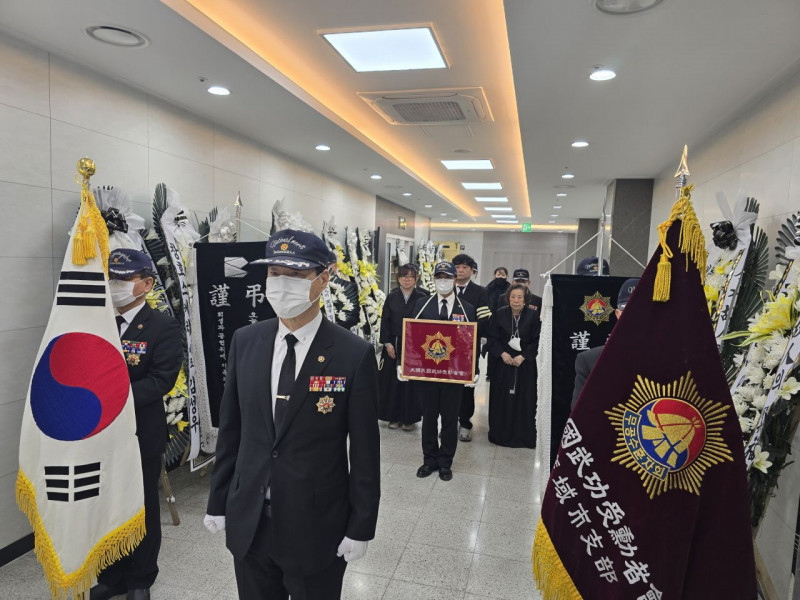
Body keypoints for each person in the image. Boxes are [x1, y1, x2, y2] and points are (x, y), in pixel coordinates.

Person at [204, 229, 381, 600]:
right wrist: (218, 501)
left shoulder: (352, 354)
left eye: (296, 275)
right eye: (274, 274)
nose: (282, 284)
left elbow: (365, 450)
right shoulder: (246, 341)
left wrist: (361, 525)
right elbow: (232, 430)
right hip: (251, 521)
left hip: (316, 525)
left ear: (323, 279)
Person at [91, 249, 183, 600]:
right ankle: (111, 575)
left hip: (139, 432)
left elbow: (162, 380)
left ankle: (140, 578)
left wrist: (112, 396)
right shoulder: (99, 321)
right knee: (107, 506)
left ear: (146, 284)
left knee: (140, 505)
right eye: (112, 279)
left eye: (124, 279)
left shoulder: (162, 326)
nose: (115, 285)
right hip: (100, 433)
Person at [409, 261, 476, 481]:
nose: (443, 281)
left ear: (455, 279)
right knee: (428, 419)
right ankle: (429, 460)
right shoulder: (422, 304)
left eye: (447, 277)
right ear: (434, 280)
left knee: (449, 419)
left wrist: (473, 370)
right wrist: (405, 363)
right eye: (439, 277)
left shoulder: (467, 308)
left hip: (454, 374)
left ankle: (446, 462)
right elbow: (411, 335)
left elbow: (472, 342)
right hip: (427, 373)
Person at [486, 283, 541, 448]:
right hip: (503, 362)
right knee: (501, 399)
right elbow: (492, 338)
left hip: (524, 364)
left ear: (525, 300)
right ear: (508, 298)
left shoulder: (533, 315)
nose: (516, 301)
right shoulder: (499, 314)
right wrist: (502, 354)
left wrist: (523, 357)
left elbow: (537, 340)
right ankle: (500, 434)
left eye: (519, 297)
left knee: (524, 399)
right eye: (513, 297)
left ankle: (522, 436)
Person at [571, 277, 639, 409]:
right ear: (618, 314)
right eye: (627, 310)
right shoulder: (590, 361)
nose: (633, 316)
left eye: (639, 310)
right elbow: (580, 413)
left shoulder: (667, 359)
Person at [378, 263, 429, 430]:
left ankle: (409, 419)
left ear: (416, 278)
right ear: (398, 278)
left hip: (416, 345)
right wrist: (387, 343)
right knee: (392, 381)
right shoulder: (392, 297)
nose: (406, 280)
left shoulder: (423, 297)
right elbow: (385, 321)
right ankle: (393, 417)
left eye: (410, 277)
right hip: (394, 343)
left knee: (412, 382)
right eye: (403, 276)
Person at [452, 254, 491, 441]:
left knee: (467, 385)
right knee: (447, 385)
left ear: (472, 271)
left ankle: (465, 423)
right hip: (445, 347)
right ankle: (449, 422)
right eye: (457, 267)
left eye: (465, 267)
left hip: (468, 347)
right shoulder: (445, 288)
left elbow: (484, 319)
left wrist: (467, 335)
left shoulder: (480, 292)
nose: (460, 270)